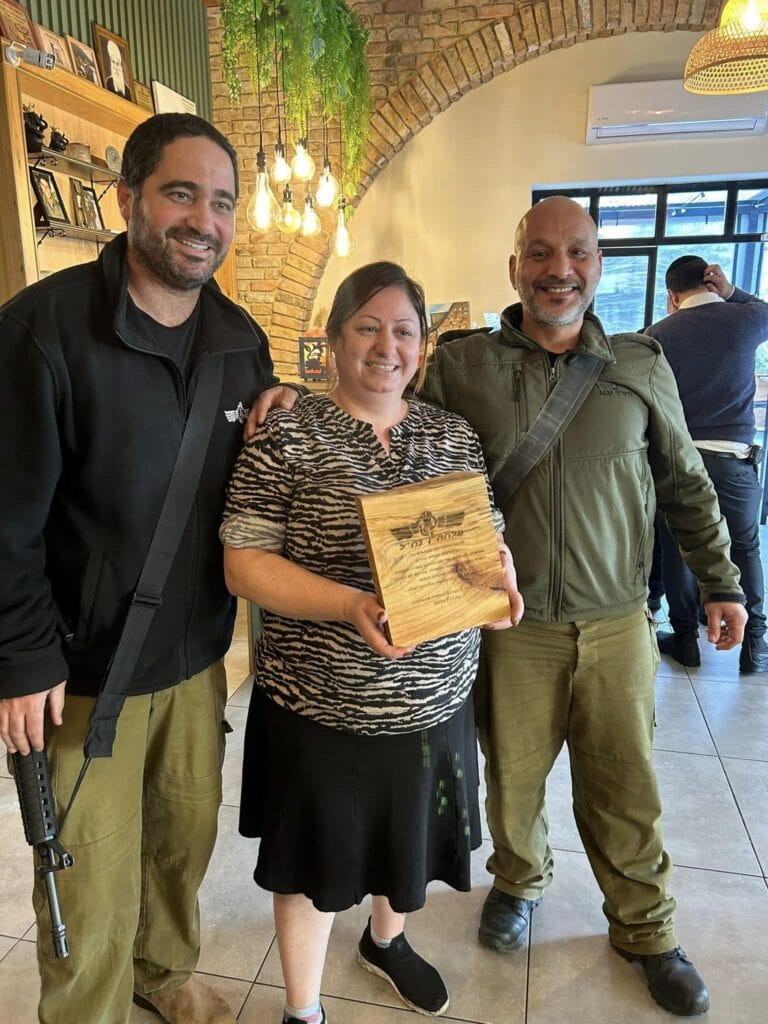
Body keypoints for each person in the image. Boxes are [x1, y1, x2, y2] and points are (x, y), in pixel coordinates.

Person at [0, 113, 299, 1024]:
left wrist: (280, 418)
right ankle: (87, 1009)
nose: (202, 219)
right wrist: (20, 660)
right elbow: (4, 518)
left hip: (200, 659)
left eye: (221, 202)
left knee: (181, 843)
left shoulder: (240, 339)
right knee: (85, 874)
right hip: (81, 673)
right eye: (180, 193)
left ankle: (162, 976)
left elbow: (253, 488)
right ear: (127, 198)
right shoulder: (39, 331)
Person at [417, 197, 747, 1017]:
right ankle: (519, 882)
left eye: (575, 252)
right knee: (514, 779)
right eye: (538, 253)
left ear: (598, 265)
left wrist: (721, 580)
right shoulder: (462, 368)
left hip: (616, 623)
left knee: (624, 784)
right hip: (509, 628)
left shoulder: (640, 363)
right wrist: (292, 405)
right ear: (514, 266)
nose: (557, 269)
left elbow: (684, 482)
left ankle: (645, 927)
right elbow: (400, 455)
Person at [222, 261, 524, 1024]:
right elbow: (244, 562)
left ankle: (385, 942)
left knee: (406, 842)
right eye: (367, 326)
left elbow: (485, 540)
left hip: (433, 700)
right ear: (331, 341)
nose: (387, 346)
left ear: (423, 347)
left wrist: (501, 588)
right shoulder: (286, 433)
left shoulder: (452, 434)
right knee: (309, 862)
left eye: (404, 331)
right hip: (320, 706)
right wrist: (349, 601)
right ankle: (302, 1006)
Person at [645, 255, 768, 672]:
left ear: (671, 295)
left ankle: (686, 641)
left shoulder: (657, 334)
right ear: (711, 282)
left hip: (680, 462)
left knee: (677, 548)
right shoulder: (744, 320)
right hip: (734, 459)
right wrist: (733, 293)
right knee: (746, 546)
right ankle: (755, 643)